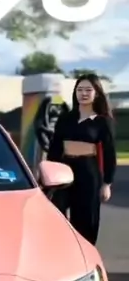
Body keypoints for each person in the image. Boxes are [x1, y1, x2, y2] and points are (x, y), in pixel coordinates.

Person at [47, 74, 116, 245]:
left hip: (88, 171)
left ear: (96, 93)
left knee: (86, 217)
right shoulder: (65, 118)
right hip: (65, 170)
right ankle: (62, 247)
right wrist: (48, 173)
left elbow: (109, 153)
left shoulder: (102, 121)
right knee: (57, 210)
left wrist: (107, 184)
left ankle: (85, 251)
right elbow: (55, 147)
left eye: (88, 90)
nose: (83, 93)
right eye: (80, 90)